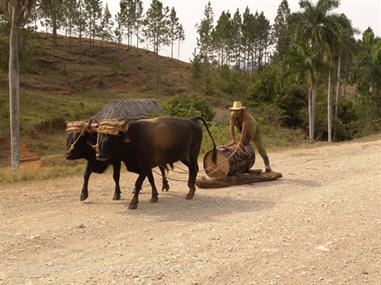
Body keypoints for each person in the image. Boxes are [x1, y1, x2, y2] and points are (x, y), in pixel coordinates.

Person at [229, 101, 272, 172]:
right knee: (240, 146)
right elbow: (231, 127)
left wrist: (241, 142)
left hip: (254, 129)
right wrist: (233, 139)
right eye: (235, 110)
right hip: (244, 131)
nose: (236, 112)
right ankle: (243, 166)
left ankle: (267, 165)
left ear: (241, 110)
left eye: (238, 110)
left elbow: (244, 130)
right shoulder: (232, 115)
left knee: (259, 147)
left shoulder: (245, 115)